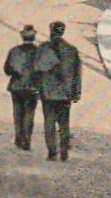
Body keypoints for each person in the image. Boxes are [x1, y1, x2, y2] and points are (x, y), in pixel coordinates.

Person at [33, 20, 82, 161]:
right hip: (65, 94)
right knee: (64, 123)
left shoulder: (43, 48)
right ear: (63, 32)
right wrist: (77, 92)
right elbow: (77, 73)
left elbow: (36, 70)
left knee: (49, 123)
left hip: (48, 93)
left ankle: (52, 152)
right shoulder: (72, 50)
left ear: (51, 31)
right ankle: (64, 151)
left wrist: (36, 89)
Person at [3, 25, 41, 151]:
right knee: (29, 114)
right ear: (34, 37)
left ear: (22, 36)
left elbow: (7, 70)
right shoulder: (39, 52)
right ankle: (26, 140)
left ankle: (19, 139)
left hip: (16, 86)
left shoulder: (14, 51)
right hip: (32, 87)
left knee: (18, 113)